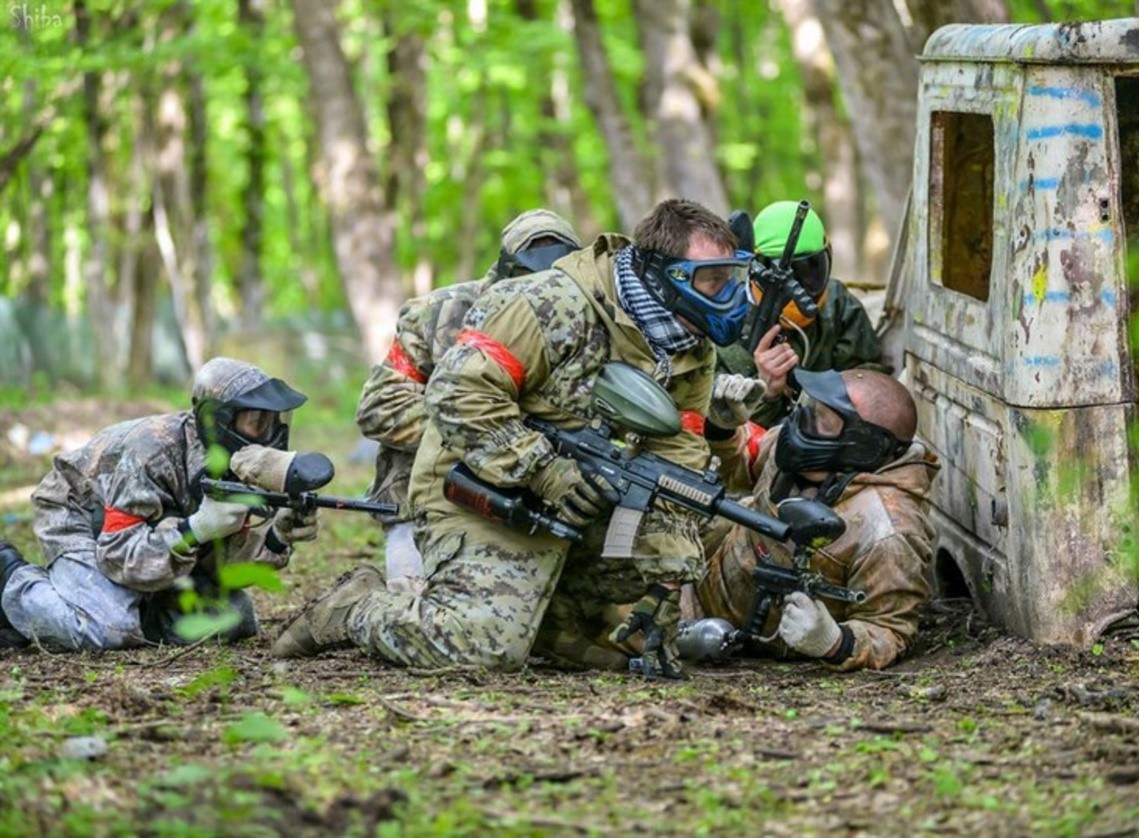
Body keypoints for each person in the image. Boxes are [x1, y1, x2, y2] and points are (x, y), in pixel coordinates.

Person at [272, 199, 752, 679]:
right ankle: (354, 607)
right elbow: (459, 393)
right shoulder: (550, 303)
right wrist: (547, 473)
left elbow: (678, 450)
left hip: (579, 498)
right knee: (484, 649)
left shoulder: (689, 344)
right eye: (713, 278)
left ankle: (553, 621)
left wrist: (668, 573)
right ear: (661, 273)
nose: (727, 294)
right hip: (476, 489)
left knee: (683, 539)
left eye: (730, 277)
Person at [0, 358, 319, 651]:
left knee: (233, 618)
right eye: (257, 421)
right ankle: (11, 577)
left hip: (148, 532)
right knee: (107, 628)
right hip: (79, 512)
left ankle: (128, 605)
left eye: (275, 421)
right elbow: (116, 553)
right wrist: (195, 530)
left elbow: (223, 567)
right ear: (217, 419)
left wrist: (277, 537)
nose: (271, 434)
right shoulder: (151, 452)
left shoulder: (235, 464)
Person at [355, 210, 582, 583]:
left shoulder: (584, 322)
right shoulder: (438, 314)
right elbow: (380, 405)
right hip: (427, 501)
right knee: (417, 609)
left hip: (534, 504)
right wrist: (487, 429)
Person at [695, 368, 939, 670]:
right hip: (700, 589)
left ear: (862, 445)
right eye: (811, 408)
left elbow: (890, 631)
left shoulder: (888, 530)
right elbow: (742, 470)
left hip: (746, 644)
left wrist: (834, 641)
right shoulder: (799, 451)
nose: (803, 421)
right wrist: (723, 427)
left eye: (822, 420)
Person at [717, 201, 884, 427]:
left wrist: (832, 401)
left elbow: (871, 378)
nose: (796, 291)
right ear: (754, 269)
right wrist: (765, 391)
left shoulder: (838, 305)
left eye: (810, 270)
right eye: (781, 278)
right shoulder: (724, 324)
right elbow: (721, 429)